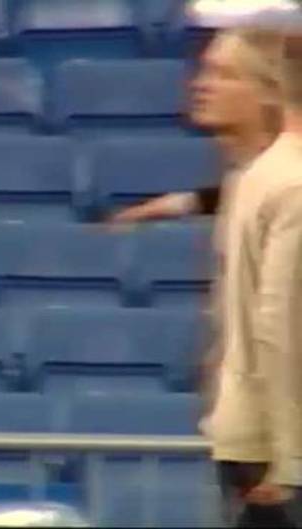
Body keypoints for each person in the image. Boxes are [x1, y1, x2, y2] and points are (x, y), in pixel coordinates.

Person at [203, 32, 302, 527]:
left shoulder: (260, 174)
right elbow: (280, 327)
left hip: (252, 433)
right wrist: (291, 459)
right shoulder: (295, 182)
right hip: (281, 446)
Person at [109, 29, 283, 224]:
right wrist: (179, 204)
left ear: (269, 92)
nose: (200, 85)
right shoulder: (252, 176)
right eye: (206, 71)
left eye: (225, 75)